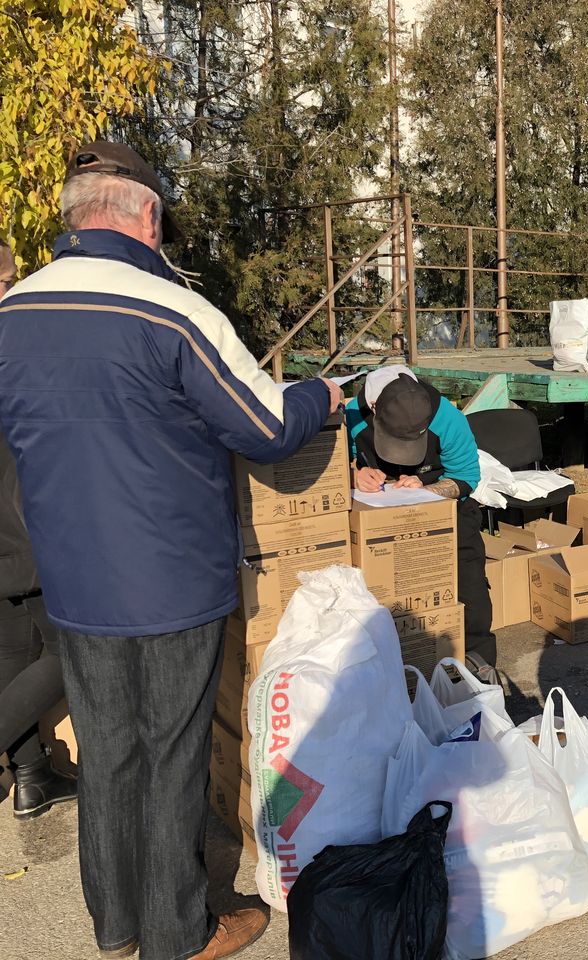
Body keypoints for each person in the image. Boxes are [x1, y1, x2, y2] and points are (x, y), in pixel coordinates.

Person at [0, 142, 344, 960]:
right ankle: (180, 931)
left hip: (72, 577)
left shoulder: (13, 315)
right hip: (170, 579)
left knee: (110, 747)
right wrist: (318, 393)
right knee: (171, 753)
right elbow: (263, 428)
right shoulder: (174, 311)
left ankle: (114, 927)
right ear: (145, 214)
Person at [349, 367, 496, 667]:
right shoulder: (351, 415)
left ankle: (478, 667)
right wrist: (354, 474)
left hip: (444, 503)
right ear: (374, 409)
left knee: (470, 584)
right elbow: (334, 461)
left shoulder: (448, 419)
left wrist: (428, 489)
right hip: (378, 509)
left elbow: (466, 478)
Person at [0, 434, 76, 820]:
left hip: (8, 539)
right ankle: (30, 778)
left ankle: (31, 778)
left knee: (13, 652)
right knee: (71, 654)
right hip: (27, 528)